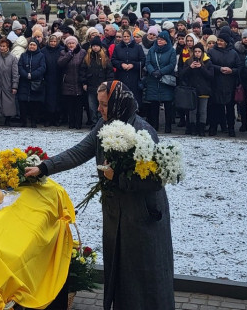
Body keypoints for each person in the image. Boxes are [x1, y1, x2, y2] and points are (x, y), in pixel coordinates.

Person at [26, 82, 173, 310]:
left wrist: (118, 178)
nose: (99, 109)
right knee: (120, 275)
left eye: (104, 104)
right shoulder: (106, 125)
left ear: (118, 104)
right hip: (116, 215)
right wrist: (44, 167)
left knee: (143, 278)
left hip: (141, 219)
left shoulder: (143, 132)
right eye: (100, 104)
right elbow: (80, 151)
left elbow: (154, 181)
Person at [141, 32, 176, 134]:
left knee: (168, 104)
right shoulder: (152, 50)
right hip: (153, 79)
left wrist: (161, 72)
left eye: (162, 39)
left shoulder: (171, 51)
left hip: (165, 80)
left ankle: (168, 126)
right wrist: (152, 72)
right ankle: (154, 126)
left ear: (166, 41)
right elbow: (148, 63)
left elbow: (172, 64)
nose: (159, 41)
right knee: (154, 104)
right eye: (158, 39)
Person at [0, 37, 20, 127]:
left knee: (8, 102)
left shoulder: (13, 58)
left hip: (8, 82)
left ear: (8, 47)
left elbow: (15, 73)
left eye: (4, 46)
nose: (2, 48)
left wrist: (14, 85)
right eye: (1, 46)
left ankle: (7, 119)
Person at [58, 35, 86, 130]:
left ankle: (78, 124)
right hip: (67, 82)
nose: (71, 45)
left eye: (73, 43)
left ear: (76, 44)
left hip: (79, 81)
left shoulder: (82, 52)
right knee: (70, 105)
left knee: (78, 105)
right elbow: (60, 63)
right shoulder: (63, 52)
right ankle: (71, 123)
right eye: (69, 43)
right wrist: (69, 54)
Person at [17, 37, 47, 128]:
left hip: (36, 83)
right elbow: (20, 66)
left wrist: (33, 75)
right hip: (24, 82)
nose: (32, 46)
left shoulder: (41, 56)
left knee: (35, 104)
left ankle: (33, 121)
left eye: (34, 45)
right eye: (30, 45)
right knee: (23, 103)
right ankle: (24, 121)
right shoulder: (23, 55)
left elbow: (42, 68)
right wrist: (26, 75)